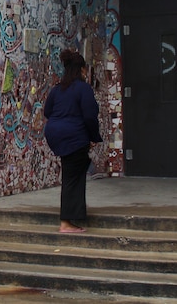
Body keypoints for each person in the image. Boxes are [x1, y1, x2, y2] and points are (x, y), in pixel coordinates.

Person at [43, 49, 102, 233]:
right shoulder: (83, 89)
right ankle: (67, 222)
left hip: (55, 133)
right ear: (82, 70)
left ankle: (71, 216)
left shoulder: (57, 89)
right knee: (73, 178)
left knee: (73, 169)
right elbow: (90, 117)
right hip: (74, 135)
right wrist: (94, 137)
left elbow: (47, 112)